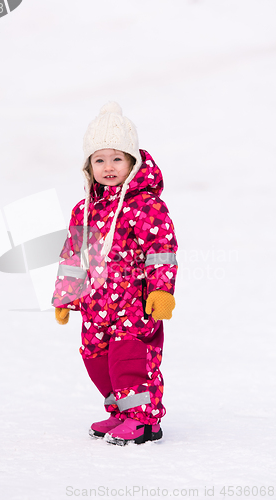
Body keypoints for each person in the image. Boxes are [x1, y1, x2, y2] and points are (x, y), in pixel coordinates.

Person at [52, 102, 178, 446]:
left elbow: (161, 251)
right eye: (99, 159)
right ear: (88, 166)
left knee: (130, 360)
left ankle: (144, 420)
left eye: (117, 158)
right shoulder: (85, 209)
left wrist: (161, 291)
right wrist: (65, 296)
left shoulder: (146, 206)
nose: (108, 167)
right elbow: (73, 256)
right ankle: (120, 413)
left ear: (133, 161)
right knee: (97, 359)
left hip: (134, 303)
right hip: (95, 305)